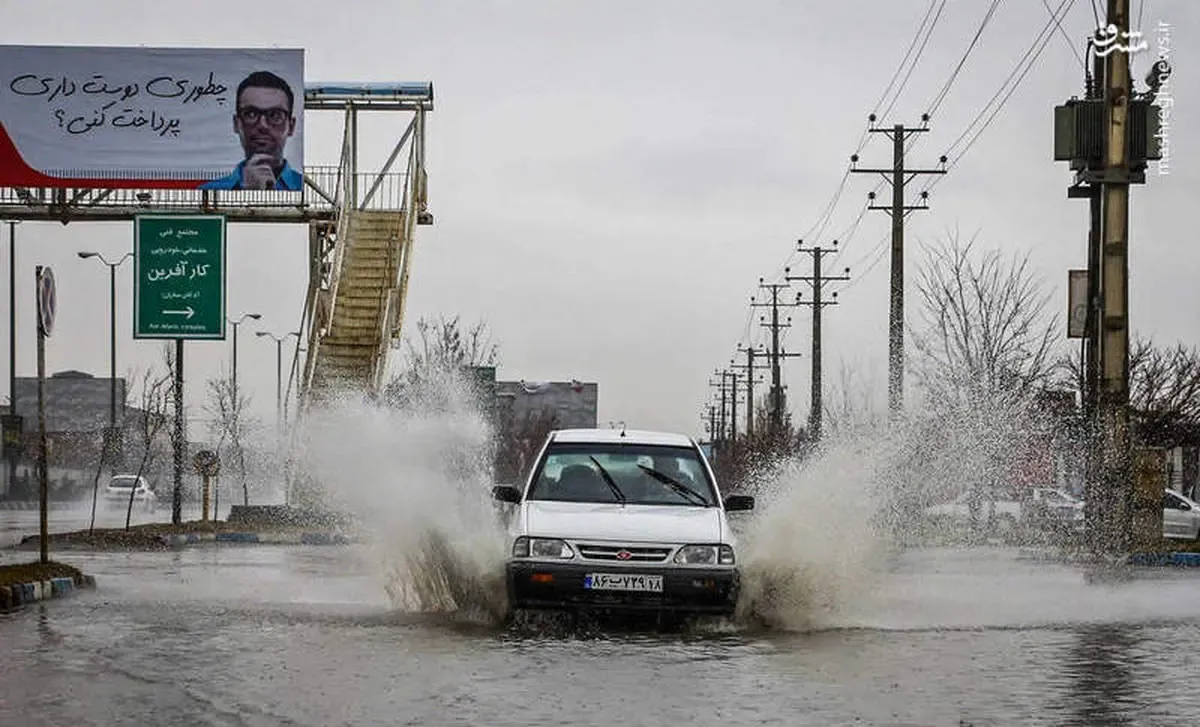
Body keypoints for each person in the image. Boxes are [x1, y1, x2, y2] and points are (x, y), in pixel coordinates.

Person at [200, 71, 302, 191]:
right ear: (236, 123)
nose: (262, 125)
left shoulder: (306, 189)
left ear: (291, 126)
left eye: (275, 115)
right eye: (251, 114)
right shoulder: (208, 192)